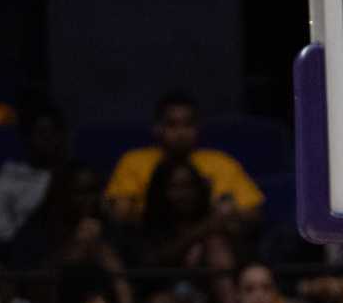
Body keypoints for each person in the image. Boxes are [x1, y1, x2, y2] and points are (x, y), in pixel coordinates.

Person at [102, 92, 264, 228]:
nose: (181, 133)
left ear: (198, 128)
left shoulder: (221, 162)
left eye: (188, 124)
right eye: (172, 125)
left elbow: (253, 213)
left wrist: (230, 215)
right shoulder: (133, 162)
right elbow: (119, 214)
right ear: (157, 128)